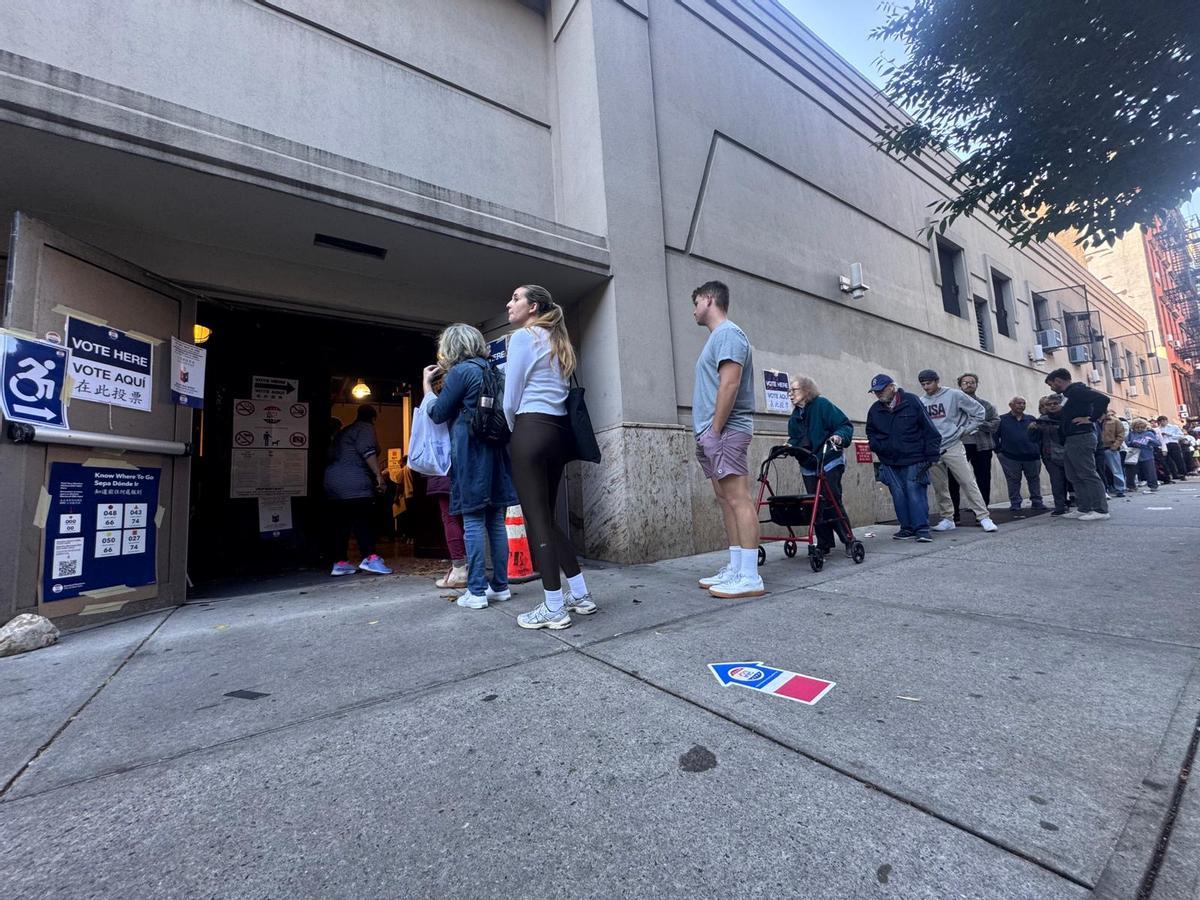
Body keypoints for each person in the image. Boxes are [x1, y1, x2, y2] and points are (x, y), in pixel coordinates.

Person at [503, 284, 598, 628]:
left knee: (536, 519)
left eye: (516, 298)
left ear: (534, 306)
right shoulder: (559, 341)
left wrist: (515, 428)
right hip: (558, 433)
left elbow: (511, 396)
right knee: (547, 517)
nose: (509, 303)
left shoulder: (523, 338)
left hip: (530, 428)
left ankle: (554, 607)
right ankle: (580, 594)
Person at [422, 323, 517, 610]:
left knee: (473, 520)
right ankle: (500, 586)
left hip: (470, 453)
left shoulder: (461, 372)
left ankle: (476, 591)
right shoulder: (494, 371)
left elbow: (438, 413)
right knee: (496, 522)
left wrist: (427, 386)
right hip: (497, 451)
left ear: (451, 347)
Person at [690, 281, 764, 599]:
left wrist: (715, 431)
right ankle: (737, 567)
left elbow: (730, 384)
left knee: (738, 498)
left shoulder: (729, 334)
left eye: (695, 302)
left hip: (725, 430)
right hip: (714, 432)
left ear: (709, 299)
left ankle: (749, 576)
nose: (693, 310)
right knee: (726, 500)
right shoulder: (718, 338)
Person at [917, 369, 998, 532]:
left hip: (953, 443)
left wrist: (965, 431)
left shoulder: (954, 395)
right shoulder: (921, 401)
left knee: (967, 481)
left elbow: (979, 412)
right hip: (933, 447)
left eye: (929, 383)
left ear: (937, 381)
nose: (926, 387)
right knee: (940, 486)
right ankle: (948, 518)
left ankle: (984, 517)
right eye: (923, 384)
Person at [865, 373, 942, 542]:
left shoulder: (911, 401)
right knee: (898, 495)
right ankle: (906, 528)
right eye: (875, 392)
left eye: (881, 390)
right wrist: (877, 446)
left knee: (915, 492)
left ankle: (921, 529)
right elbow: (870, 432)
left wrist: (932, 455)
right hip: (890, 460)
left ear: (892, 387)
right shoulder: (875, 410)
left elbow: (929, 429)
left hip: (915, 457)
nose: (878, 394)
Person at [786, 376, 854, 556]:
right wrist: (789, 446)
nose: (790, 394)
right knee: (814, 504)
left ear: (807, 390)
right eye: (789, 391)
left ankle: (848, 539)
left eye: (794, 390)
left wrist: (839, 436)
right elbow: (794, 438)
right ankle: (824, 543)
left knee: (831, 499)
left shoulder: (822, 405)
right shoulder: (794, 417)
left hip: (829, 458)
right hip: (809, 463)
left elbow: (844, 425)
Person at [323, 404, 393, 576]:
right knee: (364, 519)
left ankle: (340, 563)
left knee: (342, 524)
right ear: (374, 418)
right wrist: (378, 476)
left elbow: (331, 455)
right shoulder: (365, 428)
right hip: (354, 481)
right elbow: (368, 452)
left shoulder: (344, 432)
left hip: (333, 482)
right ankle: (370, 557)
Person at [1043, 368, 1109, 520]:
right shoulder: (1069, 395)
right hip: (1071, 439)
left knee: (1087, 473)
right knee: (1073, 475)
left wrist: (1091, 419)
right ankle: (1084, 507)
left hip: (1081, 437)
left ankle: (1100, 510)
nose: (1052, 388)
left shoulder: (1076, 391)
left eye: (1051, 384)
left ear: (1058, 381)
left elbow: (1103, 399)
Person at [949, 373, 1000, 518]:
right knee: (953, 479)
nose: (969, 385)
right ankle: (954, 514)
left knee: (983, 479)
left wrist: (979, 421)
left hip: (982, 445)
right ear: (960, 385)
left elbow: (995, 424)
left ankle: (982, 514)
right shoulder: (953, 404)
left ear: (976, 385)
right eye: (965, 382)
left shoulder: (986, 405)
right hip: (958, 445)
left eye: (972, 382)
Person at [994, 396, 1044, 511]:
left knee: (1034, 479)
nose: (1021, 405)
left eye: (1023, 403)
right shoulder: (1002, 420)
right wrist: (998, 451)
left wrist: (1038, 450)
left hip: (1032, 456)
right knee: (1013, 481)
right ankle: (1015, 503)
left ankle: (1037, 501)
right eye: (1018, 403)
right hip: (1010, 457)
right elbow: (995, 436)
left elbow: (1038, 436)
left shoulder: (1031, 419)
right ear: (1011, 405)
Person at [1029, 395, 1070, 515]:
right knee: (1056, 481)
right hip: (1050, 455)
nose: (1051, 406)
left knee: (1074, 480)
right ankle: (1060, 506)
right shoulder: (1042, 419)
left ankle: (1081, 504)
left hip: (1070, 453)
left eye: (1055, 404)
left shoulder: (1068, 417)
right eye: (1048, 404)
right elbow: (1033, 439)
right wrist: (1033, 429)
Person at [427, 473, 467, 589]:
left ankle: (459, 570)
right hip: (468, 473)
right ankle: (470, 567)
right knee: (469, 520)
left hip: (444, 474)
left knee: (450, 519)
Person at [1125, 418, 1161, 492]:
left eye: (1142, 427)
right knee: (1131, 471)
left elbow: (1157, 443)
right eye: (1137, 427)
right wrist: (1132, 443)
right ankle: (1131, 486)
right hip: (1133, 454)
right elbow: (1127, 443)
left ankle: (1153, 485)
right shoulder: (1131, 434)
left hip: (1146, 454)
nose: (1139, 429)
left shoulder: (1149, 433)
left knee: (1150, 471)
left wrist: (1150, 441)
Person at [1099, 410, 1127, 498]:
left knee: (1116, 470)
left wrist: (1115, 446)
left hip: (1110, 447)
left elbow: (1121, 435)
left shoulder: (1115, 421)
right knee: (1101, 470)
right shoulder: (1095, 421)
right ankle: (1106, 489)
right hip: (1098, 448)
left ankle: (1120, 489)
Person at [1156, 416, 1189, 481]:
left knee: (1178, 459)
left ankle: (1182, 474)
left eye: (1163, 421)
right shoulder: (1158, 429)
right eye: (1160, 421)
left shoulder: (1174, 427)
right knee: (1166, 461)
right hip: (1164, 445)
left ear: (1166, 421)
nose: (1162, 423)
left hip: (1173, 444)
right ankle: (1172, 474)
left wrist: (1170, 435)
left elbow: (1181, 436)